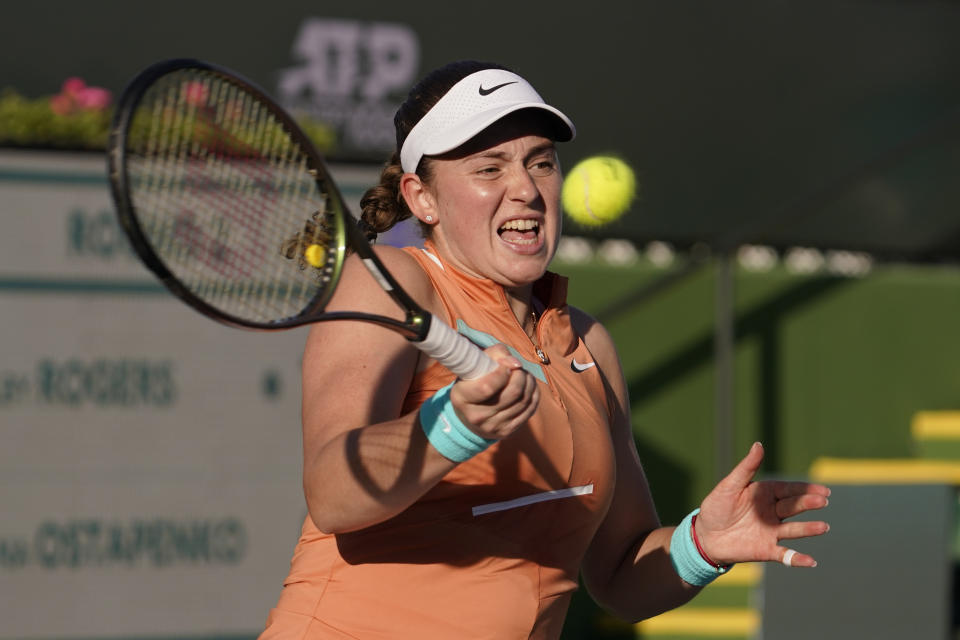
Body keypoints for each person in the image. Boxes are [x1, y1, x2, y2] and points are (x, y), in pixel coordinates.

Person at [260, 60, 830, 640]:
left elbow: (618, 575)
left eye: (541, 162)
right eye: (489, 168)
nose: (527, 189)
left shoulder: (590, 346)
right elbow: (333, 491)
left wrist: (702, 544)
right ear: (421, 198)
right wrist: (450, 425)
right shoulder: (395, 281)